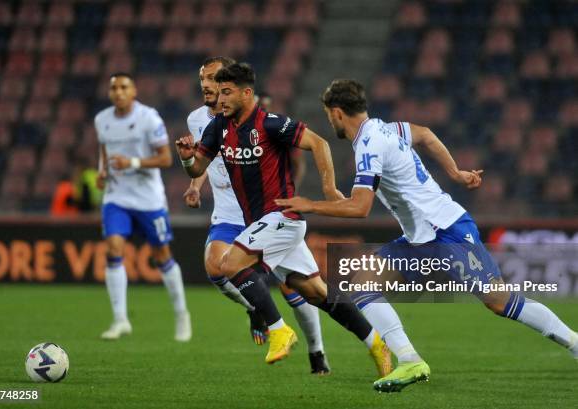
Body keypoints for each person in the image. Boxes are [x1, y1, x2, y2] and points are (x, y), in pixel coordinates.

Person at [277, 78, 578, 391]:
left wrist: (310, 204)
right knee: (362, 281)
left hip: (446, 232)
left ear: (337, 113)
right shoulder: (386, 128)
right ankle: (410, 361)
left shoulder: (368, 146)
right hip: (419, 240)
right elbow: (425, 134)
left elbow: (361, 208)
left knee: (499, 302)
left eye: (328, 115)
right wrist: (455, 172)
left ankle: (574, 343)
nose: (329, 121)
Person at [176, 63, 391, 380]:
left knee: (230, 264)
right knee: (316, 293)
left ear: (246, 93)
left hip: (283, 217)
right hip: (260, 225)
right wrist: (185, 157)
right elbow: (197, 171)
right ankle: (376, 344)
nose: (219, 99)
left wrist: (329, 189)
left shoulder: (272, 124)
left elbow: (319, 143)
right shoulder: (217, 128)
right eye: (217, 91)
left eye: (226, 92)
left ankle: (278, 329)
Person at [183, 57, 329, 374]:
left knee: (301, 288)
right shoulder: (196, 120)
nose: (208, 84)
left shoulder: (253, 114)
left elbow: (295, 150)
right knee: (216, 266)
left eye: (215, 78)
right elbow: (205, 157)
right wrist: (195, 185)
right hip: (229, 212)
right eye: (204, 78)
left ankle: (317, 351)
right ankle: (257, 309)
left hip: (267, 210)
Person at [95, 73, 191, 342]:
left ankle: (181, 313)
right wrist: (101, 172)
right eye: (113, 87)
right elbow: (104, 154)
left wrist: (133, 163)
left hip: (149, 200)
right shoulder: (102, 120)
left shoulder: (149, 118)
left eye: (124, 87)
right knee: (113, 249)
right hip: (116, 198)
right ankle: (120, 319)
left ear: (134, 90)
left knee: (161, 255)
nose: (118, 92)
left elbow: (165, 158)